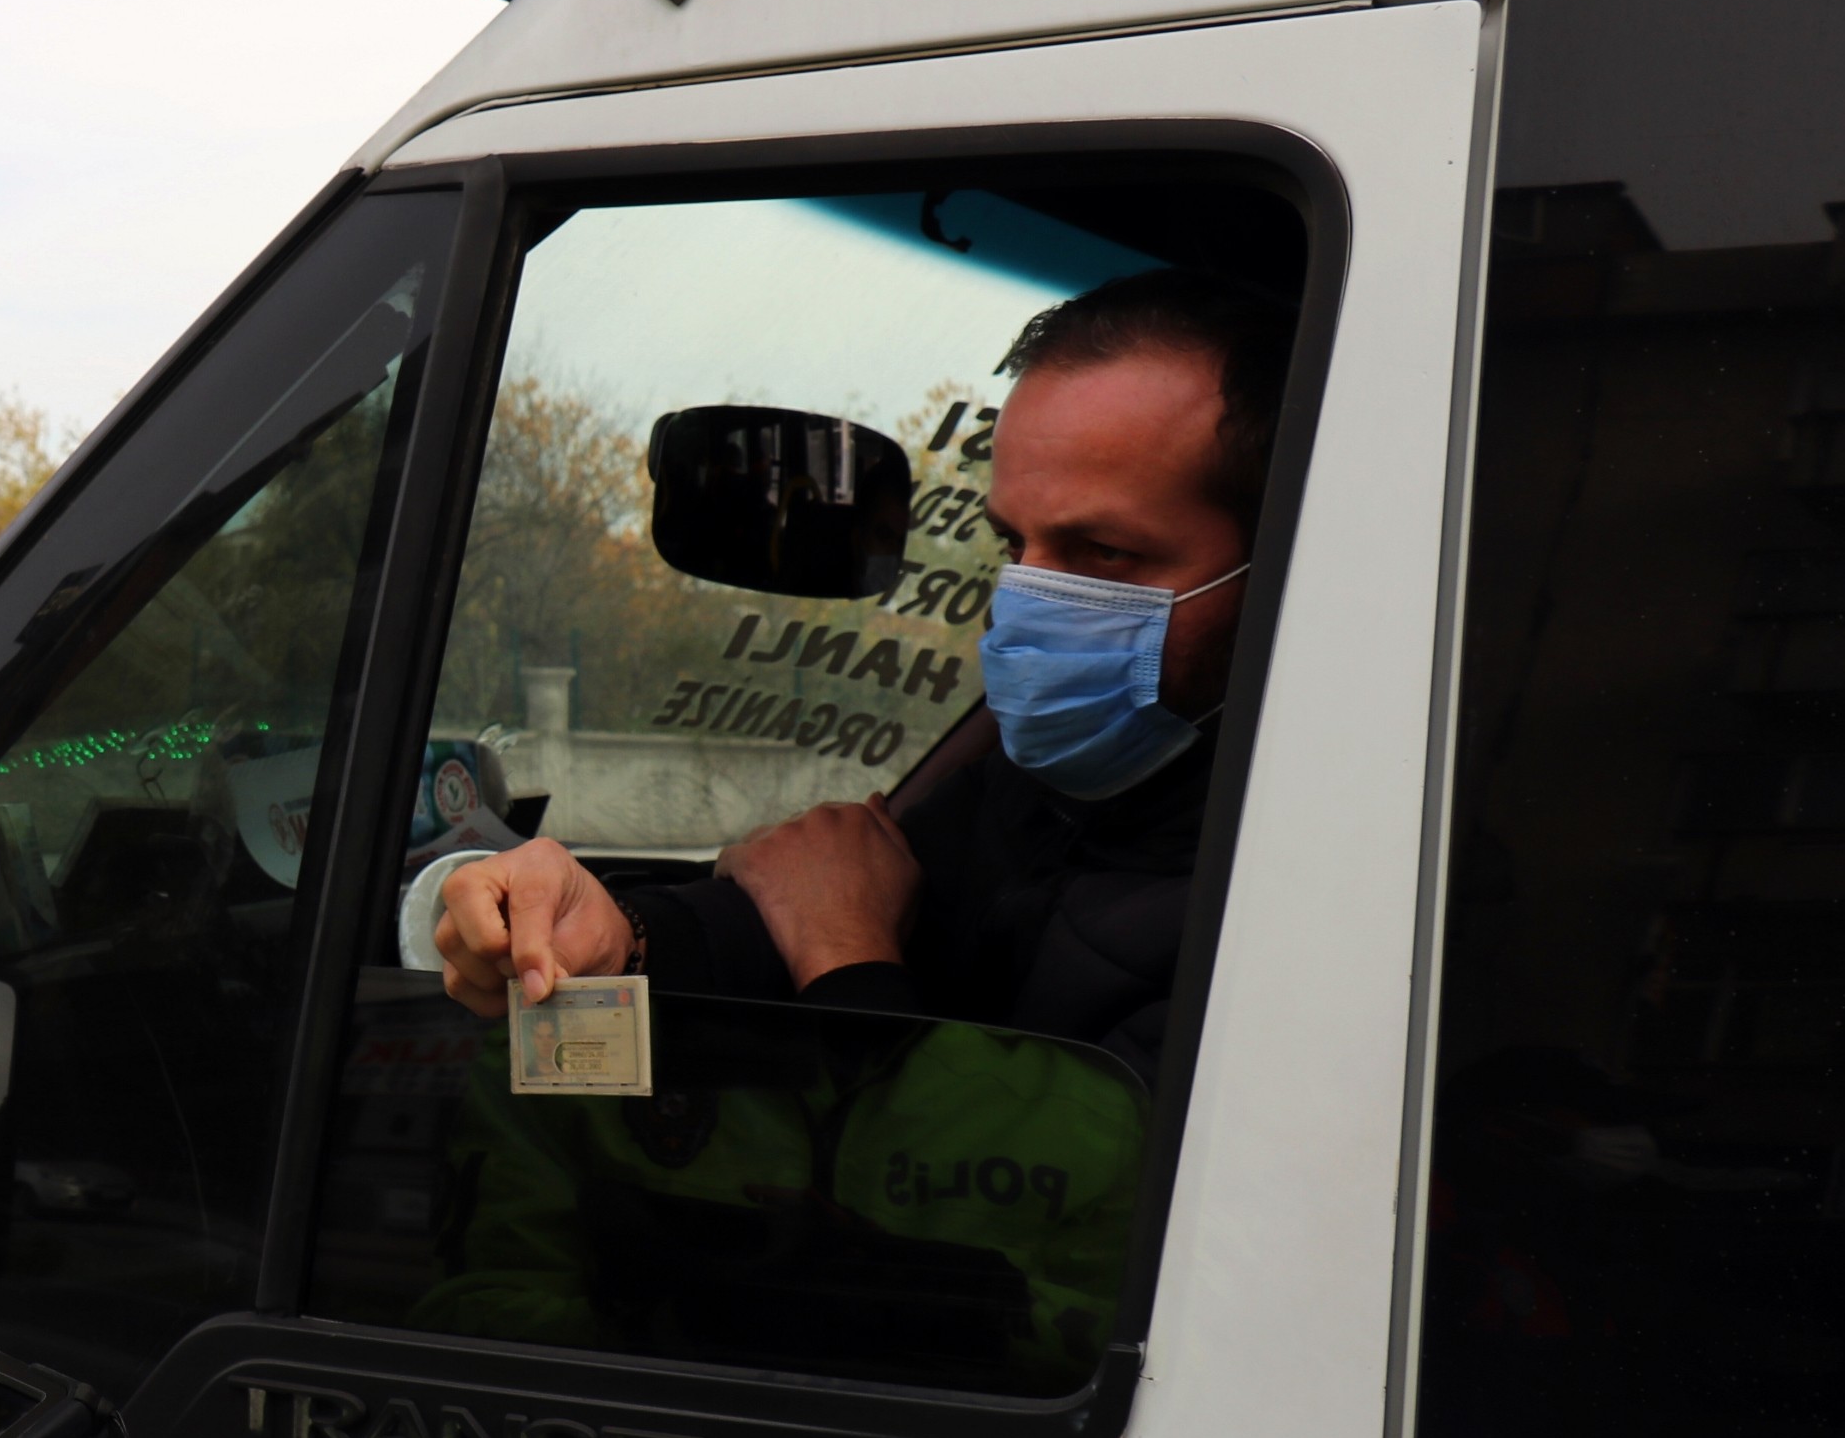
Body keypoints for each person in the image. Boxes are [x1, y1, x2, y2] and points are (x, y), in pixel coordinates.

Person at [436, 268, 1290, 1086]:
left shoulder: (1308, 895)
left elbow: (1047, 1205)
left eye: (1102, 553)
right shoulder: (1024, 799)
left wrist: (845, 954)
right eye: (1010, 548)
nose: (1019, 605)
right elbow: (789, 917)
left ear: (1286, 565)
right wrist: (615, 936)